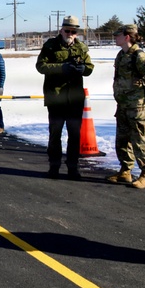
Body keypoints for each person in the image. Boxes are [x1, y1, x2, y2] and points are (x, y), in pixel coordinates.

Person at [35, 16, 94, 180]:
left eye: (73, 32)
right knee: (55, 134)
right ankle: (54, 166)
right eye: (67, 31)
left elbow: (89, 67)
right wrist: (62, 68)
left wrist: (83, 69)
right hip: (56, 97)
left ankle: (73, 167)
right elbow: (41, 66)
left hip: (74, 98)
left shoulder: (81, 47)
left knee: (74, 135)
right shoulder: (51, 46)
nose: (70, 34)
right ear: (61, 30)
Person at [109, 24, 145, 189]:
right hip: (123, 105)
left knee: (141, 141)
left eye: (118, 35)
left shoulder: (140, 57)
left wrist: (142, 84)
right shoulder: (121, 55)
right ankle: (125, 171)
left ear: (127, 37)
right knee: (122, 140)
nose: (115, 38)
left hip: (138, 108)